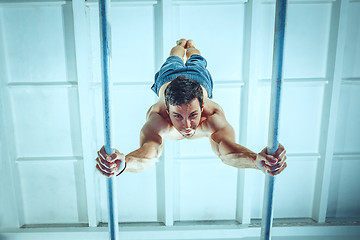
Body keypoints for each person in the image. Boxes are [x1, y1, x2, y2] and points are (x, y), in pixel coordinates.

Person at [96, 39, 287, 177]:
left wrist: (255, 160)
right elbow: (150, 152)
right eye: (178, 116)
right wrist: (123, 163)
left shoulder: (213, 116)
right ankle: (181, 45)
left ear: (202, 105)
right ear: (167, 110)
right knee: (173, 58)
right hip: (168, 77)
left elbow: (226, 152)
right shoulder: (157, 116)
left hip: (198, 77)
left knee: (197, 60)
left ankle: (192, 46)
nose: (187, 124)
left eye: (194, 114)